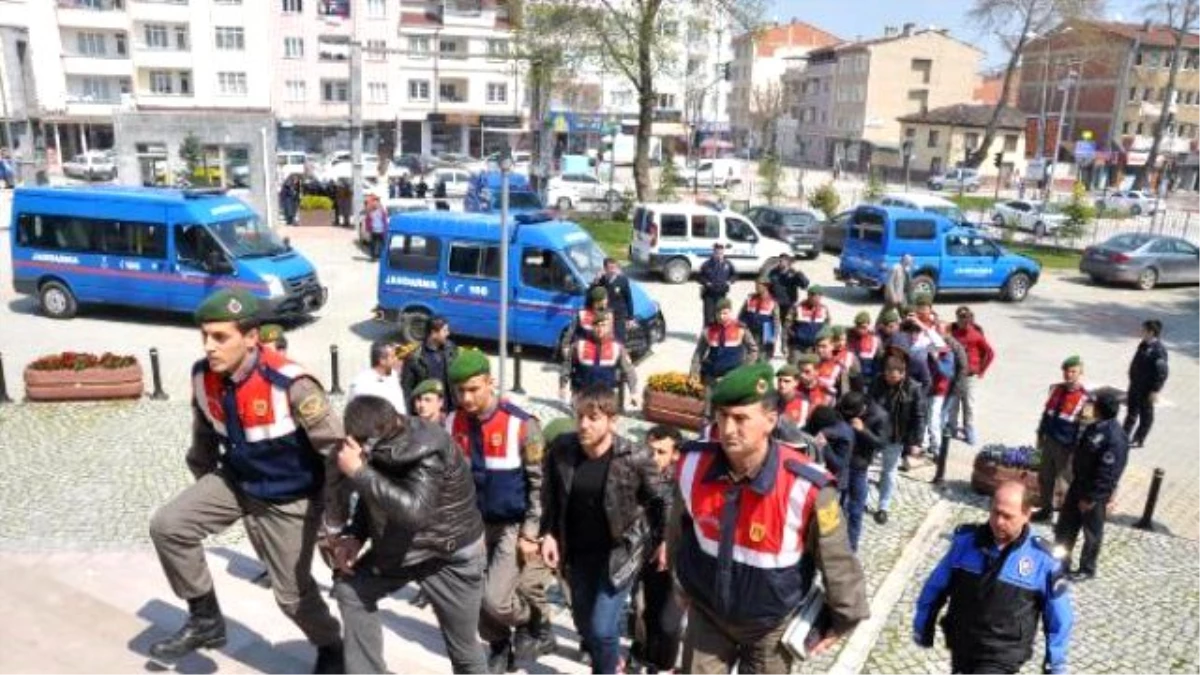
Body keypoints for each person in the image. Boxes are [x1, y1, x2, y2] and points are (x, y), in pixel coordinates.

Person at [146, 289, 344, 672]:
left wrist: (332, 519)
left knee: (291, 597)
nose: (209, 346)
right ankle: (205, 620)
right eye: (204, 336)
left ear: (251, 337)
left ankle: (332, 646)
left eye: (220, 337)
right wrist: (204, 487)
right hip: (237, 481)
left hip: (290, 499)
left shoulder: (292, 384)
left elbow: (336, 453)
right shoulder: (203, 376)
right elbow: (204, 434)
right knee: (169, 525)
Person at [672, 362, 870, 674]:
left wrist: (844, 616)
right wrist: (680, 582)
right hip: (707, 613)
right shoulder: (691, 464)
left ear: (770, 420)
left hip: (771, 625)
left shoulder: (807, 486)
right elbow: (679, 530)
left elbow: (836, 557)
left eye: (740, 418)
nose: (728, 429)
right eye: (722, 416)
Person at [331, 395, 488, 674]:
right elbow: (374, 498)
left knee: (463, 650)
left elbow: (416, 512)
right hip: (400, 547)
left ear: (382, 432)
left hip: (449, 556)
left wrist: (359, 472)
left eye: (362, 443)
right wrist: (354, 535)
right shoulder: (373, 445)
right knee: (350, 589)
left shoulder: (429, 446)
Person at [540, 384, 669, 675]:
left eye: (593, 418)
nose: (584, 424)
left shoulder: (634, 456)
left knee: (601, 628)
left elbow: (663, 498)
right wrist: (548, 533)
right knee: (585, 624)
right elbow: (551, 495)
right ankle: (612, 662)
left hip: (620, 553)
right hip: (579, 553)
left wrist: (664, 541)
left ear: (613, 420)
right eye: (579, 416)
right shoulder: (563, 448)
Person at [444, 349, 545, 672]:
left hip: (511, 525)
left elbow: (539, 485)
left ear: (490, 382)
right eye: (460, 391)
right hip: (472, 525)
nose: (466, 397)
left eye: (473, 388)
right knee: (472, 597)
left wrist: (531, 533)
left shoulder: (521, 424)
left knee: (495, 599)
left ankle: (532, 619)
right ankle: (499, 644)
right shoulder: (451, 422)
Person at [914, 481, 1073, 675]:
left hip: (1003, 652)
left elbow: (1059, 617)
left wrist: (1055, 664)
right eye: (996, 512)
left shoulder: (1042, 560)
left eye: (1008, 516)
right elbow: (935, 587)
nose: (999, 522)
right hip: (963, 644)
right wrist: (923, 626)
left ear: (1026, 514)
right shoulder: (967, 543)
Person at [1054, 391, 1129, 581]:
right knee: (1066, 527)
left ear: (1100, 408)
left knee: (1091, 533)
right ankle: (1061, 562)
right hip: (1079, 485)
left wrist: (1092, 498)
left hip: (1094, 493)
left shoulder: (1115, 437)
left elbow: (1108, 472)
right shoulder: (1095, 427)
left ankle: (1087, 569)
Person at [631, 425, 685, 675]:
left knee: (666, 619)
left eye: (660, 452)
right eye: (649, 450)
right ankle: (644, 654)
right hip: (637, 547)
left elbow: (678, 515)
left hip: (669, 554)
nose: (653, 458)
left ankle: (662, 664)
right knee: (642, 609)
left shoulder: (683, 481)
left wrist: (667, 541)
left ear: (675, 455)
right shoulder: (634, 472)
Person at [868, 347, 926, 525]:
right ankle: (862, 499)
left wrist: (916, 441)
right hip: (874, 433)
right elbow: (868, 402)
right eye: (887, 374)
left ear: (903, 373)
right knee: (865, 468)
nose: (890, 379)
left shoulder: (914, 388)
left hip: (896, 436)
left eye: (894, 376)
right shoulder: (877, 382)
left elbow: (919, 415)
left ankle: (883, 506)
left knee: (889, 472)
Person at [1033, 356, 1093, 523]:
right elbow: (1046, 414)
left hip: (1066, 446)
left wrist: (1077, 450)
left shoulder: (1085, 399)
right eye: (1067, 371)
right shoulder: (1055, 389)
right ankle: (1046, 510)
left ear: (1080, 373)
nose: (1069, 375)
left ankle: (1065, 517)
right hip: (1049, 440)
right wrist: (1040, 434)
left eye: (1073, 371)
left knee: (1064, 482)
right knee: (1045, 477)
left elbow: (1084, 428)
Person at [838, 392, 888, 552]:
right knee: (838, 506)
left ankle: (851, 547)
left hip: (859, 466)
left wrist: (863, 430)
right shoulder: (846, 407)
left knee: (855, 509)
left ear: (862, 410)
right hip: (840, 462)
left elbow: (881, 443)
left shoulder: (880, 416)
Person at [560, 310, 638, 406]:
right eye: (597, 325)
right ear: (592, 327)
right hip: (583, 395)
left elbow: (629, 370)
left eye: (603, 325)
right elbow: (567, 366)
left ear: (609, 327)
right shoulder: (579, 345)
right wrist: (562, 386)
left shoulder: (617, 348)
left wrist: (633, 392)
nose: (600, 329)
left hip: (605, 396)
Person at [949, 306, 995, 446]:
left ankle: (968, 428)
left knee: (969, 403)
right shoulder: (954, 334)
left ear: (969, 319)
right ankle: (952, 427)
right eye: (960, 317)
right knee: (954, 403)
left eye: (965, 317)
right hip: (956, 375)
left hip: (970, 376)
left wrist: (981, 370)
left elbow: (990, 353)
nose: (962, 320)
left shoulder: (976, 335)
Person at [689, 298, 759, 388]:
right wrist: (694, 373)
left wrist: (744, 369)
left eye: (725, 313)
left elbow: (753, 350)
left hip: (732, 376)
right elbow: (699, 353)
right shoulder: (708, 330)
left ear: (730, 312)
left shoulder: (740, 328)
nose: (722, 316)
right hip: (711, 376)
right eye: (719, 313)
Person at [1124, 319, 1169, 448]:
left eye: (1143, 330)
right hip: (1135, 385)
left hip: (1147, 389)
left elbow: (1162, 373)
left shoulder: (1158, 351)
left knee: (1146, 415)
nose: (1141, 332)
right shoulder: (1143, 344)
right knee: (1131, 412)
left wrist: (1155, 390)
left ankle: (1139, 438)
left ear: (1151, 332)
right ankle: (1123, 436)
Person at [401, 316, 460, 413]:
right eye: (444, 331)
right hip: (428, 411)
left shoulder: (451, 348)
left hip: (449, 409)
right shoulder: (414, 357)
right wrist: (410, 413)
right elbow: (407, 390)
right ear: (433, 333)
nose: (448, 333)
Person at [764, 254, 809, 352]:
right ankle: (768, 349)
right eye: (779, 261)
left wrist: (800, 274)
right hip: (775, 305)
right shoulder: (773, 272)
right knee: (769, 325)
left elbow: (805, 285)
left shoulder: (793, 273)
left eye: (782, 261)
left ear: (788, 262)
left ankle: (786, 347)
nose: (780, 263)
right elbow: (767, 286)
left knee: (788, 327)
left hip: (789, 305)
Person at [348, 340, 407, 415]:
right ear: (382, 361)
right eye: (392, 357)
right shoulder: (362, 386)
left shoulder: (393, 376)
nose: (397, 360)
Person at [774, 359, 827, 436]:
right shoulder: (771, 400)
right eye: (780, 380)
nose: (782, 385)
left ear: (796, 382)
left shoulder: (804, 402)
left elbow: (804, 426)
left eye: (787, 381)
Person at [591, 257, 635, 342]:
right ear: (605, 269)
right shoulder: (601, 280)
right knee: (605, 339)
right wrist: (596, 280)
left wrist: (630, 317)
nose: (612, 270)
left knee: (619, 339)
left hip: (619, 315)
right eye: (610, 268)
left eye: (614, 267)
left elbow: (628, 299)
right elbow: (593, 293)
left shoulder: (622, 280)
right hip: (605, 315)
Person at [739, 280, 782, 361]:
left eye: (759, 285)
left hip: (766, 330)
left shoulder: (773, 302)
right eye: (756, 285)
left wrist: (774, 337)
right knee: (749, 355)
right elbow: (742, 315)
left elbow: (776, 321)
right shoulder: (750, 298)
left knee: (763, 356)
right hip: (750, 330)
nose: (756, 287)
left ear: (766, 287)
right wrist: (741, 325)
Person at [786, 285, 831, 359]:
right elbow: (787, 325)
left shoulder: (824, 309)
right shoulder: (797, 308)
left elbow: (827, 326)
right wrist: (792, 338)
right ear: (808, 296)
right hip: (797, 346)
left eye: (818, 297)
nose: (816, 299)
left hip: (815, 348)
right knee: (796, 367)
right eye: (813, 296)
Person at [697, 243, 736, 326]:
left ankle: (718, 335)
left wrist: (729, 281)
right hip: (709, 294)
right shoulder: (707, 264)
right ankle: (706, 336)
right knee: (708, 317)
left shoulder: (728, 264)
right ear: (713, 252)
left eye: (721, 253)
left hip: (722, 294)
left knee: (720, 315)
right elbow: (700, 277)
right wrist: (706, 282)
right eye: (717, 253)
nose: (719, 255)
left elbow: (734, 275)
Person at [813, 327, 850, 400]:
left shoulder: (838, 366)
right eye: (818, 346)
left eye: (824, 346)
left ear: (832, 346)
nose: (820, 350)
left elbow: (844, 392)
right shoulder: (812, 364)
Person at [847, 312, 881, 386]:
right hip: (853, 376)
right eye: (858, 327)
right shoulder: (849, 337)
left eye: (863, 327)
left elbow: (879, 358)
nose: (861, 330)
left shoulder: (875, 340)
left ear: (868, 326)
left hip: (869, 376)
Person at [365, 195, 388, 260]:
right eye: (374, 202)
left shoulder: (382, 210)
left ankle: (380, 256)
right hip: (374, 230)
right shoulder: (370, 211)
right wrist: (368, 228)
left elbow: (385, 219)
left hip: (381, 230)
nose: (375, 203)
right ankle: (374, 256)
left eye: (376, 202)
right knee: (373, 244)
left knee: (381, 244)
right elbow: (368, 220)